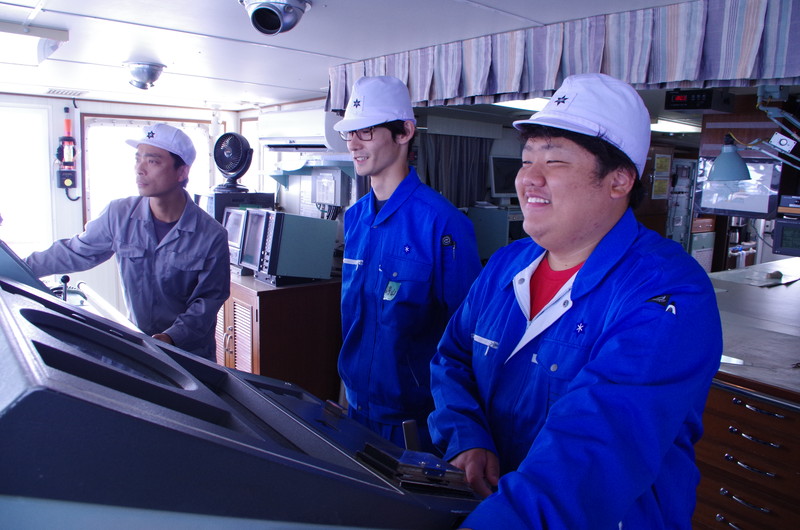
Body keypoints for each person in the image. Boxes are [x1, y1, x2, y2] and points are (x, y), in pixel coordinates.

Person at [428, 73, 723, 528]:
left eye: (555, 161)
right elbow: (453, 358)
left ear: (619, 180)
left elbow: (593, 453)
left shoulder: (667, 293)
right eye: (526, 160)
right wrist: (466, 435)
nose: (529, 178)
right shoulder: (507, 264)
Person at [333, 76, 482, 452]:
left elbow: (465, 338)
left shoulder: (443, 223)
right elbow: (355, 320)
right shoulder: (355, 218)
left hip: (414, 422)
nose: (353, 143)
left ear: (404, 132)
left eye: (366, 131)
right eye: (350, 133)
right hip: (356, 406)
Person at [25, 123, 230, 360]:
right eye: (137, 159)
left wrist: (170, 338)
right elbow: (75, 252)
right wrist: (16, 267)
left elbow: (207, 302)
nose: (139, 169)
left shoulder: (211, 235)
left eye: (152, 161)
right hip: (139, 346)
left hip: (190, 353)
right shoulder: (118, 214)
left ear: (182, 172)